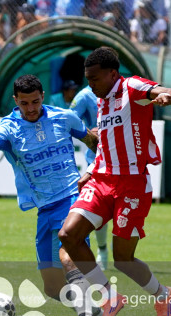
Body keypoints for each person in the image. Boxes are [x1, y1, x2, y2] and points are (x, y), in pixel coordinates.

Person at [0, 75, 109, 316]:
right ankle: (99, 311)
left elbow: (94, 142)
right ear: (15, 101)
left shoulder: (64, 117)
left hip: (72, 198)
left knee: (68, 256)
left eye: (35, 101)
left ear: (43, 95)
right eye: (24, 103)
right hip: (45, 208)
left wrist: (94, 168)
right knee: (53, 288)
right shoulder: (9, 128)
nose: (30, 108)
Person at [57, 47, 171, 316]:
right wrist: (89, 171)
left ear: (113, 74)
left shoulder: (131, 86)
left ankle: (163, 296)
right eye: (87, 79)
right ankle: (110, 297)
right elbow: (106, 142)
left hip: (132, 184)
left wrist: (164, 97)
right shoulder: (101, 99)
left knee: (122, 259)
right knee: (68, 236)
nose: (90, 84)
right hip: (102, 179)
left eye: (95, 78)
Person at [69, 83, 111, 270]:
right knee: (98, 208)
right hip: (96, 160)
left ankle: (124, 254)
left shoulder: (122, 92)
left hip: (123, 158)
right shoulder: (85, 96)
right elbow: (70, 121)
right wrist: (91, 133)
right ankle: (102, 250)